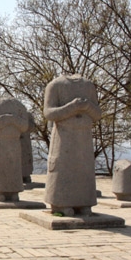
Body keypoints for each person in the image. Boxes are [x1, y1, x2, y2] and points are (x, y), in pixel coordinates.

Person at [43, 74, 101, 216]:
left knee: (84, 169)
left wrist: (87, 106)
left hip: (84, 137)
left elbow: (97, 114)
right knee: (62, 168)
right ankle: (60, 204)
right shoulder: (55, 85)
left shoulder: (88, 85)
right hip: (63, 136)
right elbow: (48, 113)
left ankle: (84, 202)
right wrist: (72, 107)